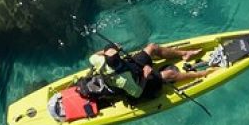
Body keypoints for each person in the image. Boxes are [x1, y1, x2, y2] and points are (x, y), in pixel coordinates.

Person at [89, 42, 218, 101]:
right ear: (117, 59)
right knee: (169, 74)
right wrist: (145, 75)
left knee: (152, 47)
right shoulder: (124, 80)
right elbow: (137, 93)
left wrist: (112, 49)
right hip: (139, 82)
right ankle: (202, 74)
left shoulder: (99, 60)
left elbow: (94, 55)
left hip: (131, 66)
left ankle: (185, 54)